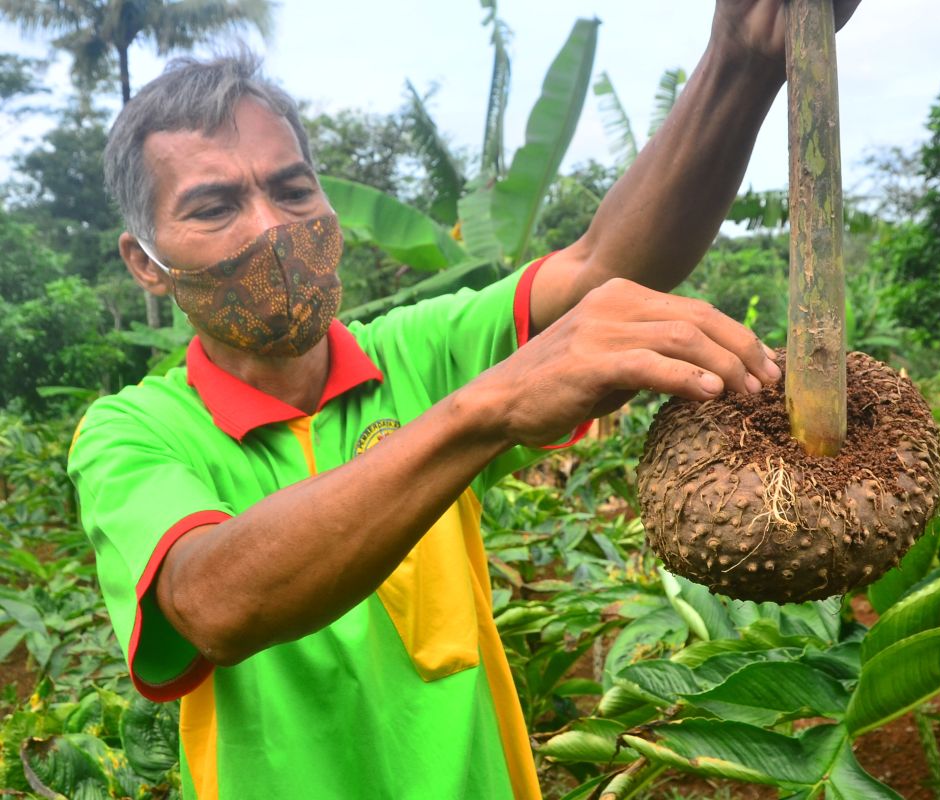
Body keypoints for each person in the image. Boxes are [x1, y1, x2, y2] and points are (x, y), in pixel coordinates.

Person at [68, 1, 862, 797]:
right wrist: (486, 407)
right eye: (215, 207)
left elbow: (604, 268)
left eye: (293, 190)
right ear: (145, 262)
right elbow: (214, 602)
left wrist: (742, 61)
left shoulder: (417, 350)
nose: (271, 229)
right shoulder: (133, 431)